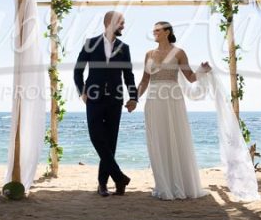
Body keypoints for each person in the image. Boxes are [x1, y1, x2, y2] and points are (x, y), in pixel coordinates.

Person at [137, 21, 209, 200]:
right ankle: (163, 185)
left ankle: (181, 184)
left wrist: (202, 70)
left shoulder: (179, 53)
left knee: (175, 137)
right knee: (158, 140)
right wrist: (134, 98)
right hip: (153, 98)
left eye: (158, 30)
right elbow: (145, 80)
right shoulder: (148, 54)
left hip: (172, 98)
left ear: (167, 32)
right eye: (153, 30)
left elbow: (191, 78)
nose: (154, 32)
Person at [74, 11, 138, 197]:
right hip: (93, 99)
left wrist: (133, 97)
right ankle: (119, 177)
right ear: (109, 22)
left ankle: (104, 184)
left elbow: (128, 75)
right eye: (121, 22)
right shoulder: (90, 44)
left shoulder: (124, 48)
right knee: (96, 137)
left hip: (115, 100)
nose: (123, 26)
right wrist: (82, 92)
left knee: (110, 142)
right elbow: (78, 71)